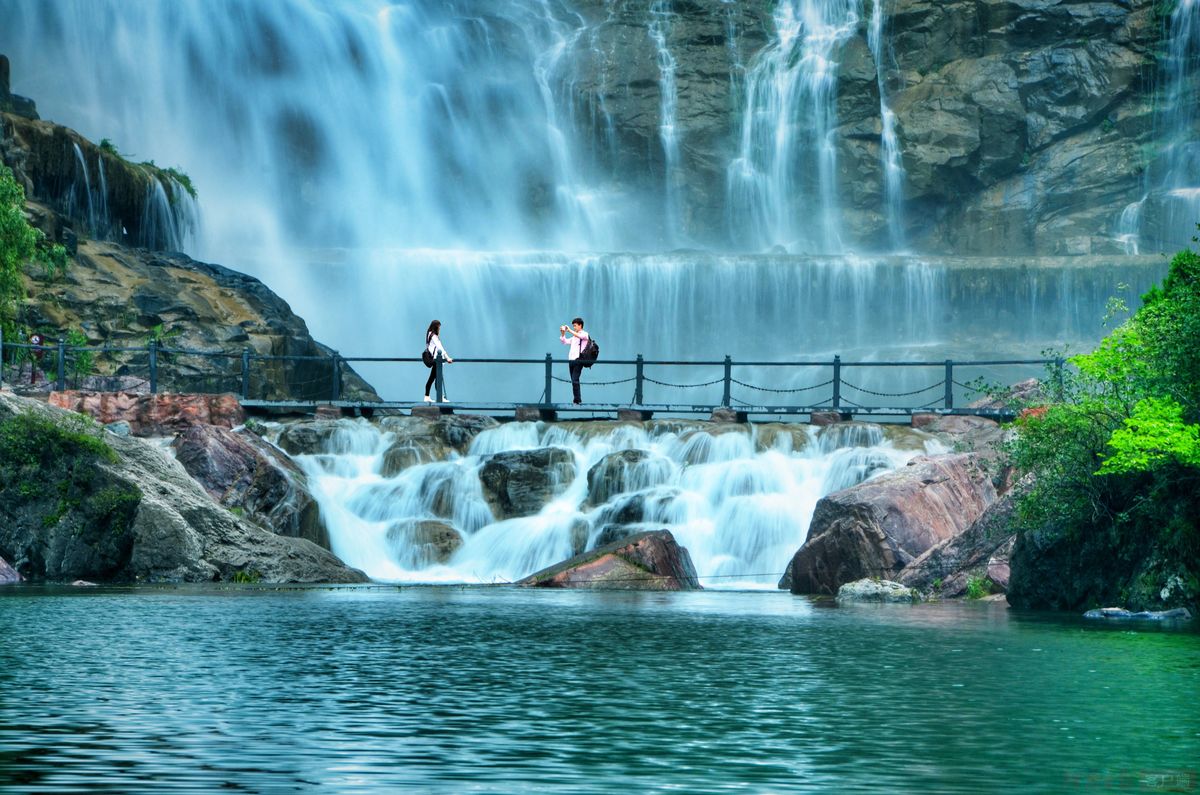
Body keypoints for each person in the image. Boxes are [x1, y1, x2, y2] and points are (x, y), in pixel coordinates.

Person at [559, 317, 590, 405]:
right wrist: (563, 333)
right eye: (573, 326)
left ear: (580, 325)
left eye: (575, 326)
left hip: (578, 360)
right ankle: (576, 399)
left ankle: (577, 400)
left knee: (575, 379)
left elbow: (580, 336)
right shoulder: (574, 337)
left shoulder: (585, 334)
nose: (574, 328)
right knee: (574, 380)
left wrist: (569, 330)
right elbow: (564, 341)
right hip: (571, 361)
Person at [424, 320, 453, 402]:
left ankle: (427, 396)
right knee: (437, 379)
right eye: (439, 327)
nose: (439, 329)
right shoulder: (433, 336)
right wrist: (447, 357)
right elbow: (440, 347)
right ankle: (439, 398)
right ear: (436, 327)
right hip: (437, 360)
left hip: (435, 359)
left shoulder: (429, 334)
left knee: (433, 379)